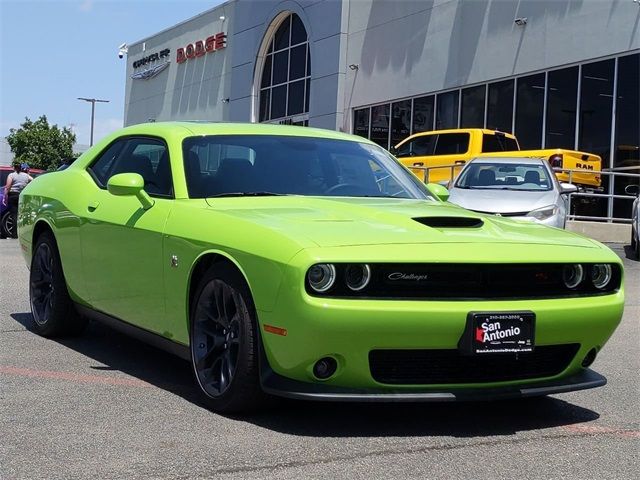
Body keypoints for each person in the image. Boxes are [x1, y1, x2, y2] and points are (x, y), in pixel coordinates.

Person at [1, 161, 33, 239]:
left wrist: (5, 197)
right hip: (22, 196)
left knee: (14, 215)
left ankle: (15, 235)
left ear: (15, 168)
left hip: (12, 196)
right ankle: (24, 234)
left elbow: (8, 187)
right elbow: (33, 181)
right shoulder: (26, 176)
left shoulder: (11, 175)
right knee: (22, 215)